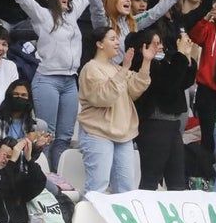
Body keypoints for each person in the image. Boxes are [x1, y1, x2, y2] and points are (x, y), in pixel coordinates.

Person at [0, 0, 101, 168]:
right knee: (45, 135)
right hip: (48, 80)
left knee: (64, 137)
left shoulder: (72, 15)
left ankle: (58, 179)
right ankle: (43, 176)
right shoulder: (42, 15)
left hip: (70, 81)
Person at [77, 26, 153, 194]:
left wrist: (146, 62)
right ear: (99, 44)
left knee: (126, 189)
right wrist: (125, 68)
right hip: (98, 133)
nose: (117, 42)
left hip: (123, 134)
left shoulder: (117, 68)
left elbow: (135, 89)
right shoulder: (91, 68)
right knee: (97, 187)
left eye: (117, 39)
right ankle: (88, 220)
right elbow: (104, 97)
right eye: (112, 39)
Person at [131, 27, 196, 191]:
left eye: (160, 43)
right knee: (150, 178)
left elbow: (182, 83)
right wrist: (180, 57)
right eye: (155, 43)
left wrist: (187, 58)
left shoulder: (165, 62)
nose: (160, 47)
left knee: (177, 180)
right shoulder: (141, 64)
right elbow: (167, 86)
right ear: (143, 46)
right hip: (153, 124)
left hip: (173, 123)